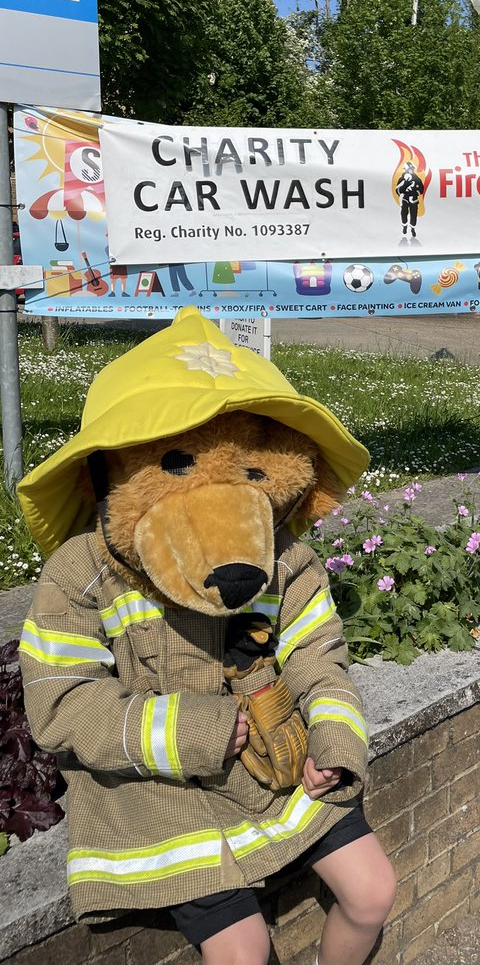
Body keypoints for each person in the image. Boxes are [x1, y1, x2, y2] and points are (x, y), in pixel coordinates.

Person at [17, 309, 396, 965]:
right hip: (156, 795)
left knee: (372, 891)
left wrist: (334, 737)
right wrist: (192, 728)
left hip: (272, 769)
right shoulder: (79, 573)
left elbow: (317, 653)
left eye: (251, 474)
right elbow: (60, 703)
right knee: (242, 952)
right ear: (107, 473)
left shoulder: (284, 556)